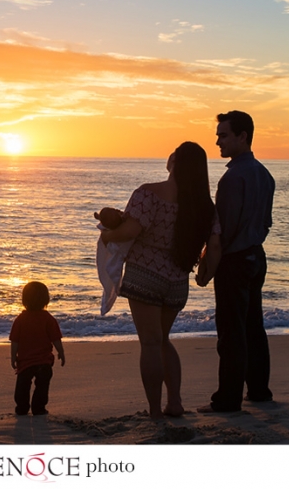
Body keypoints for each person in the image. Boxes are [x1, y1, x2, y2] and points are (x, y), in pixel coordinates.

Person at [101, 142, 221, 418]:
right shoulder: (205, 206)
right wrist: (205, 274)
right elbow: (214, 246)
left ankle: (155, 410)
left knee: (151, 343)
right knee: (164, 339)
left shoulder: (148, 194)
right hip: (177, 282)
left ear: (173, 163)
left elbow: (130, 230)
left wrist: (107, 236)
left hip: (145, 276)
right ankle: (175, 403)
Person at [199, 110, 275, 413]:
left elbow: (223, 233)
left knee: (231, 332)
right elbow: (267, 222)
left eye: (224, 135)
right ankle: (259, 390)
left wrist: (207, 266)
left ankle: (228, 399)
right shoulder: (264, 174)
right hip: (257, 256)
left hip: (235, 260)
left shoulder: (233, 178)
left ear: (242, 136)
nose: (218, 141)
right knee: (253, 326)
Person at [9, 281, 65, 416]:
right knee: (42, 386)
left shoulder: (20, 319)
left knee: (22, 386)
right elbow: (56, 338)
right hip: (43, 361)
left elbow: (15, 341)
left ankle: (22, 408)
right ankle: (38, 408)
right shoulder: (48, 318)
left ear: (24, 300)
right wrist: (61, 352)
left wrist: (13, 357)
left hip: (25, 361)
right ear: (46, 299)